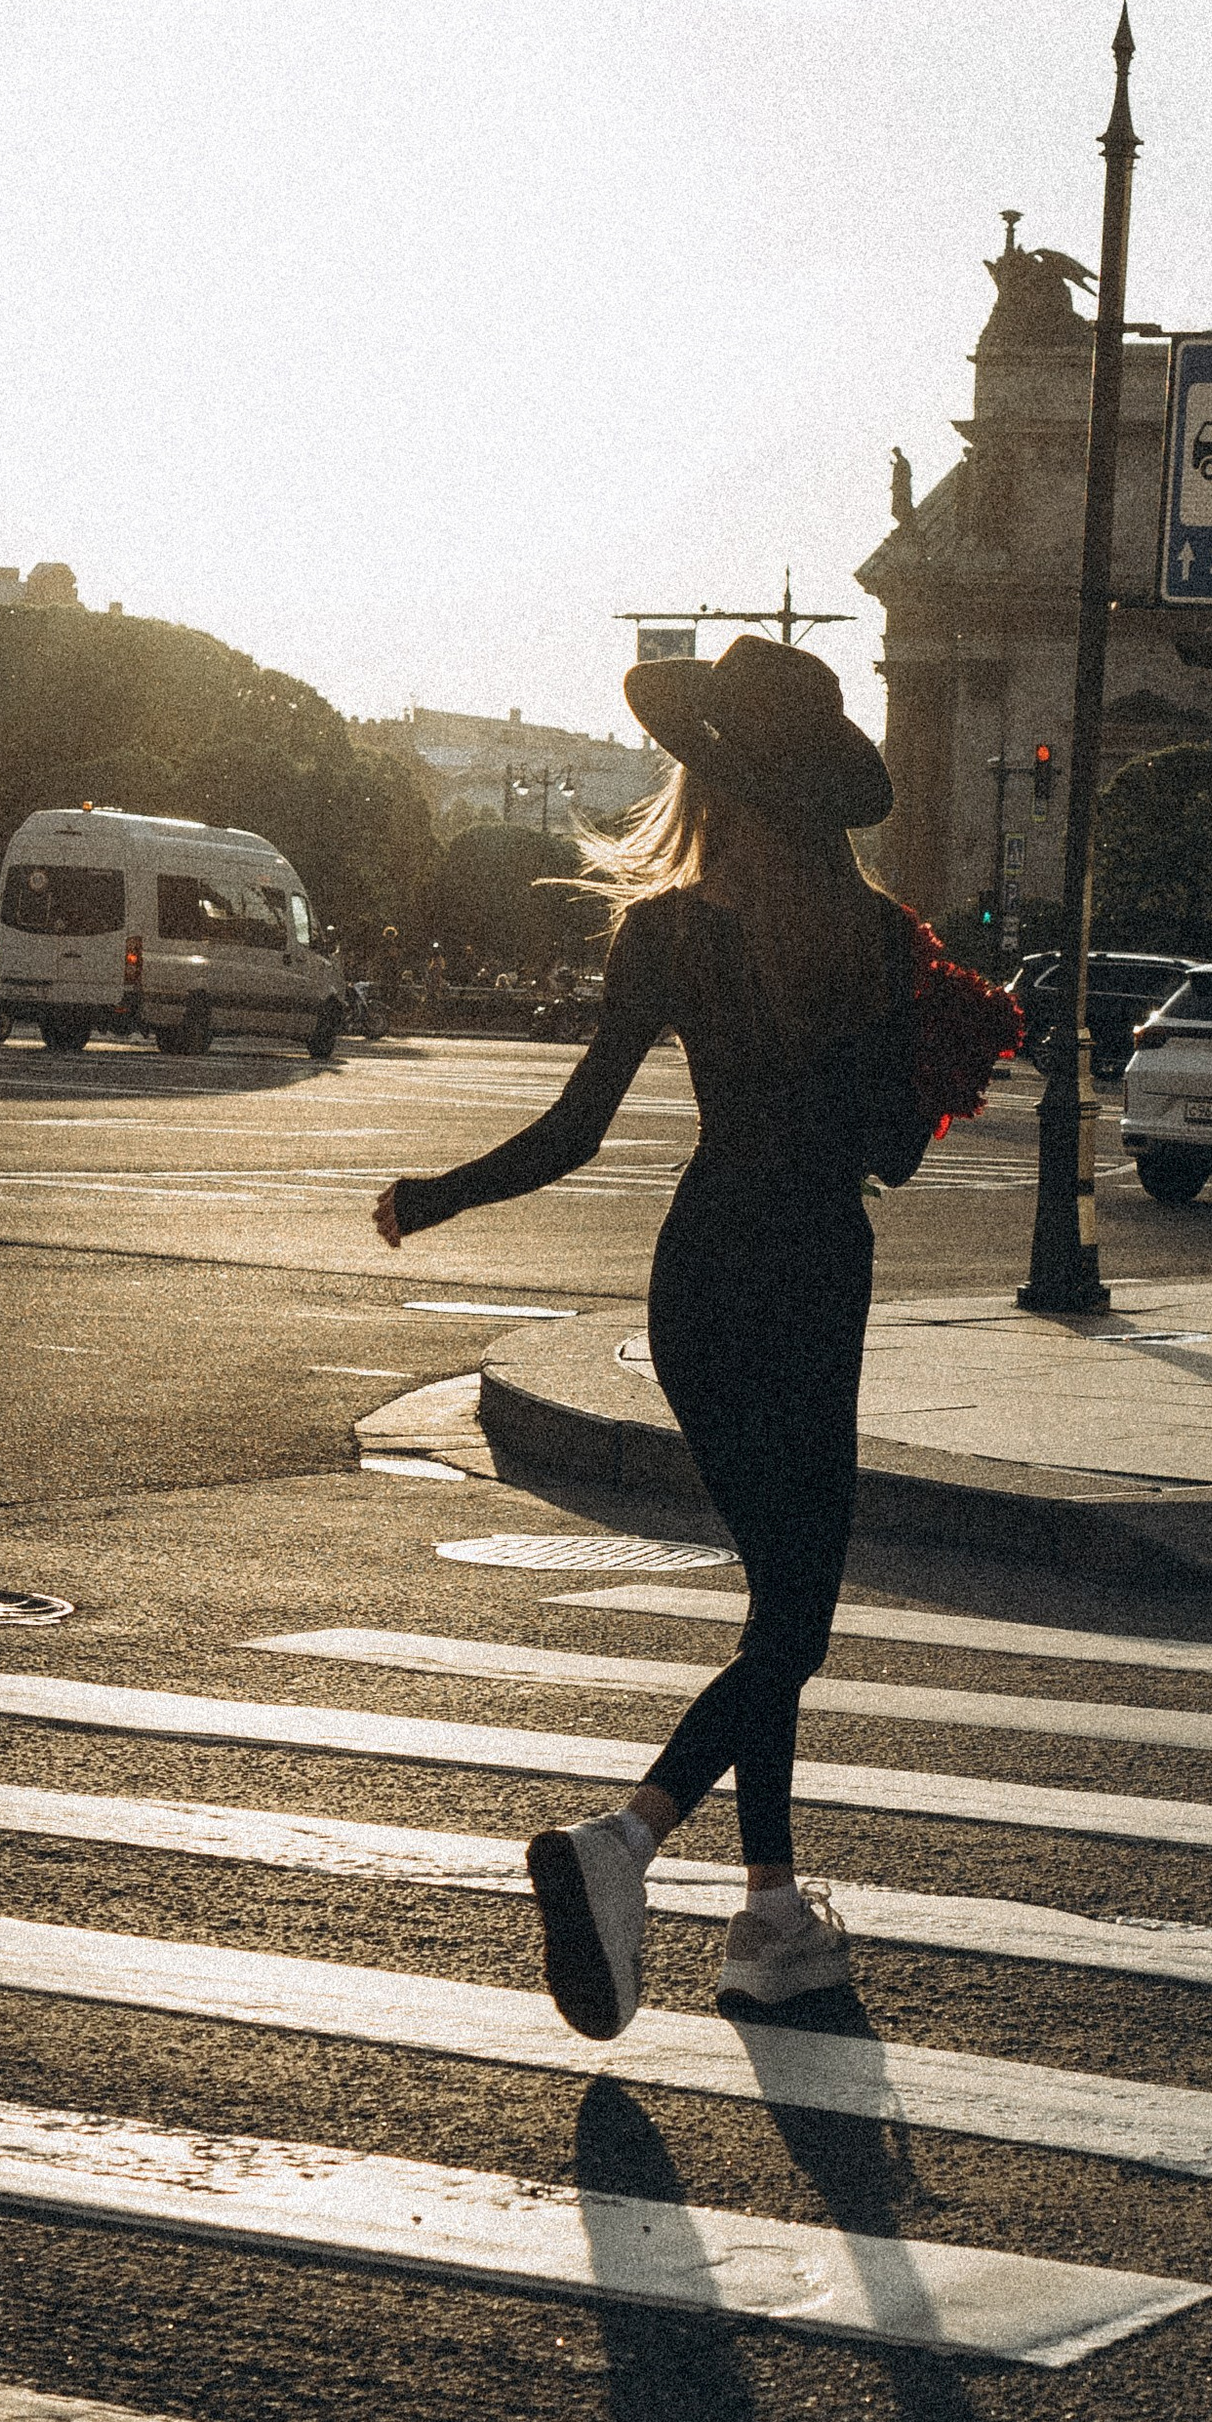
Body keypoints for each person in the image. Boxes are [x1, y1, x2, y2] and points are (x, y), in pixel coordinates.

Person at [373, 635, 1013, 2042]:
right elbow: (888, 1153)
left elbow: (577, 1134)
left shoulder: (665, 931)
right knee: (795, 1615)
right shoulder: (876, 941)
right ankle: (630, 1837)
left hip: (697, 1274)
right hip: (808, 1270)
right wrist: (947, 1052)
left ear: (709, 775)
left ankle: (773, 1916)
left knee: (773, 1601)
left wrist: (436, 1196)